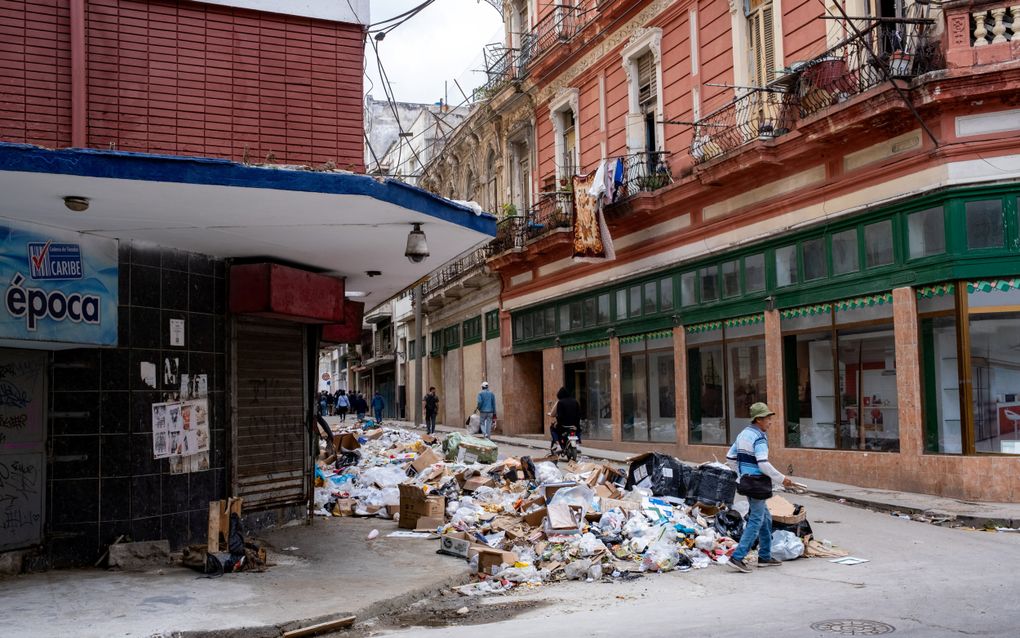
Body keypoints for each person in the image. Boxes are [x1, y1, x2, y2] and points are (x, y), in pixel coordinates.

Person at [725, 402, 796, 573]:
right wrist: (782, 479)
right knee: (756, 519)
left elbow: (730, 456)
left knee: (765, 518)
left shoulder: (743, 434)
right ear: (758, 419)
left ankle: (764, 555)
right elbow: (763, 464)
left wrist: (742, 474)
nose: (770, 422)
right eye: (767, 419)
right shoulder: (759, 438)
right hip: (757, 484)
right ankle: (737, 557)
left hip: (748, 482)